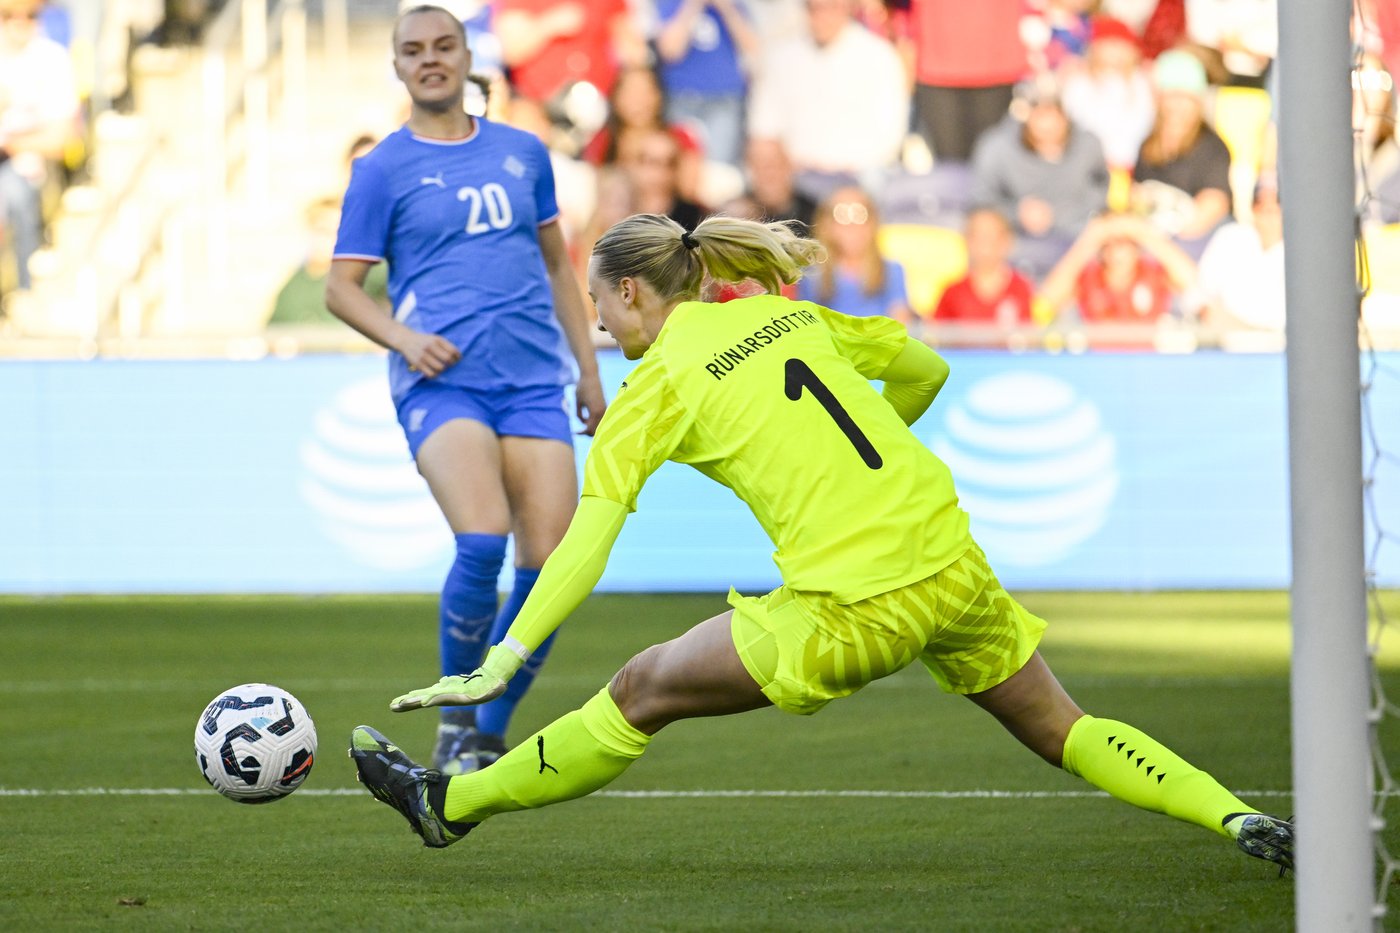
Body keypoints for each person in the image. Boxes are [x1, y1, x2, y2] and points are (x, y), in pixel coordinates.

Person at [347, 210, 1294, 880]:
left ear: (631, 290)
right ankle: (1236, 813)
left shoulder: (656, 384)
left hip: (853, 605)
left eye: (599, 302)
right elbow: (924, 368)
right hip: (950, 562)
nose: (595, 321)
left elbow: (587, 543)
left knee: (642, 688)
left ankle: (447, 805)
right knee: (1065, 728)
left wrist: (501, 660)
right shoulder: (783, 313)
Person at [325, 5, 607, 775]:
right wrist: (405, 338)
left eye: (442, 45)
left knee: (550, 563)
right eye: (413, 50)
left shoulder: (523, 153)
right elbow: (341, 288)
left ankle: (489, 725)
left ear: (464, 55)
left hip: (531, 381)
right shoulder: (382, 168)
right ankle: (455, 719)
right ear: (398, 67)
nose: (430, 59)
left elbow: (557, 263)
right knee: (482, 537)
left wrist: (588, 367)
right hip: (442, 382)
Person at [970, 75, 1111, 282]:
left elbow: (1101, 191)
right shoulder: (997, 147)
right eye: (1039, 114)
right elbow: (981, 199)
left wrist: (1061, 213)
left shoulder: (1089, 145)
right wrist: (1016, 211)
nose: (1047, 124)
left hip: (1074, 235)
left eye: (1053, 113)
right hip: (1018, 239)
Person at [0, 0, 79, 296]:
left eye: (29, 15)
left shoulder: (52, 60)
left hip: (26, 168)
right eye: (8, 15)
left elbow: (61, 139)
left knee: (12, 194)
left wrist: (13, 142)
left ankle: (25, 292)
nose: (19, 22)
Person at [1131, 49, 1234, 261]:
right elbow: (1137, 194)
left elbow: (1210, 210)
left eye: (1186, 98)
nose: (1177, 106)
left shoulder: (1213, 148)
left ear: (1198, 101)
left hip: (1199, 241)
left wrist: (1156, 237)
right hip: (1154, 235)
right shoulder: (1148, 143)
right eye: (1171, 97)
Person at [796, 184, 912, 324]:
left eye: (860, 215)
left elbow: (900, 322)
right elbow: (808, 325)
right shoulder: (812, 275)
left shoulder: (891, 271)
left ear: (872, 223)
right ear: (827, 225)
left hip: (880, 343)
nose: (851, 226)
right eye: (841, 215)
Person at [933, 206, 1036, 328]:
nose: (984, 244)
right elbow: (937, 338)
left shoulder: (1022, 288)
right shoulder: (952, 293)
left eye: (990, 236)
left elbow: (1032, 337)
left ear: (1006, 241)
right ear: (967, 240)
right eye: (976, 236)